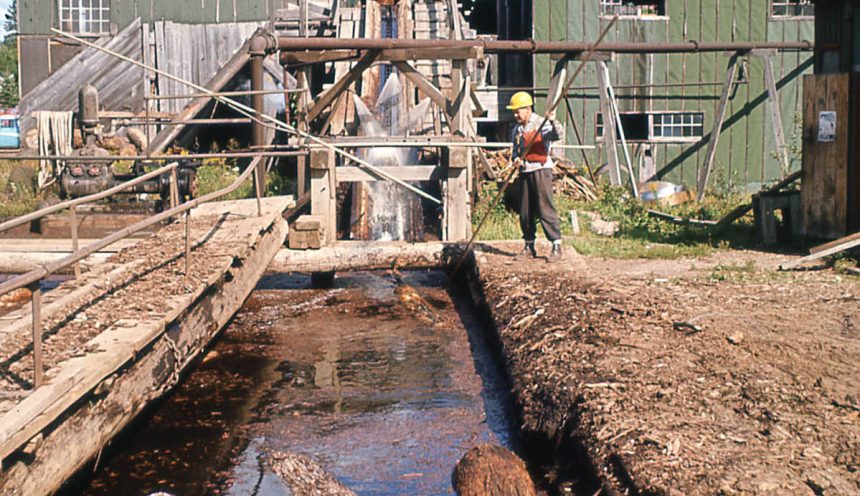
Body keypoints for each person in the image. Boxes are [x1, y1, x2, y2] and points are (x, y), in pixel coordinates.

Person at [507, 91, 564, 262]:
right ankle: (529, 245)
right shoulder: (517, 130)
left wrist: (553, 120)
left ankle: (556, 245)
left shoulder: (542, 123)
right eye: (514, 112)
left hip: (541, 170)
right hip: (525, 171)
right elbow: (515, 151)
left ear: (527, 108)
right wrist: (516, 159)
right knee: (525, 210)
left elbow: (558, 135)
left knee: (544, 208)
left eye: (518, 111)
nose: (515, 115)